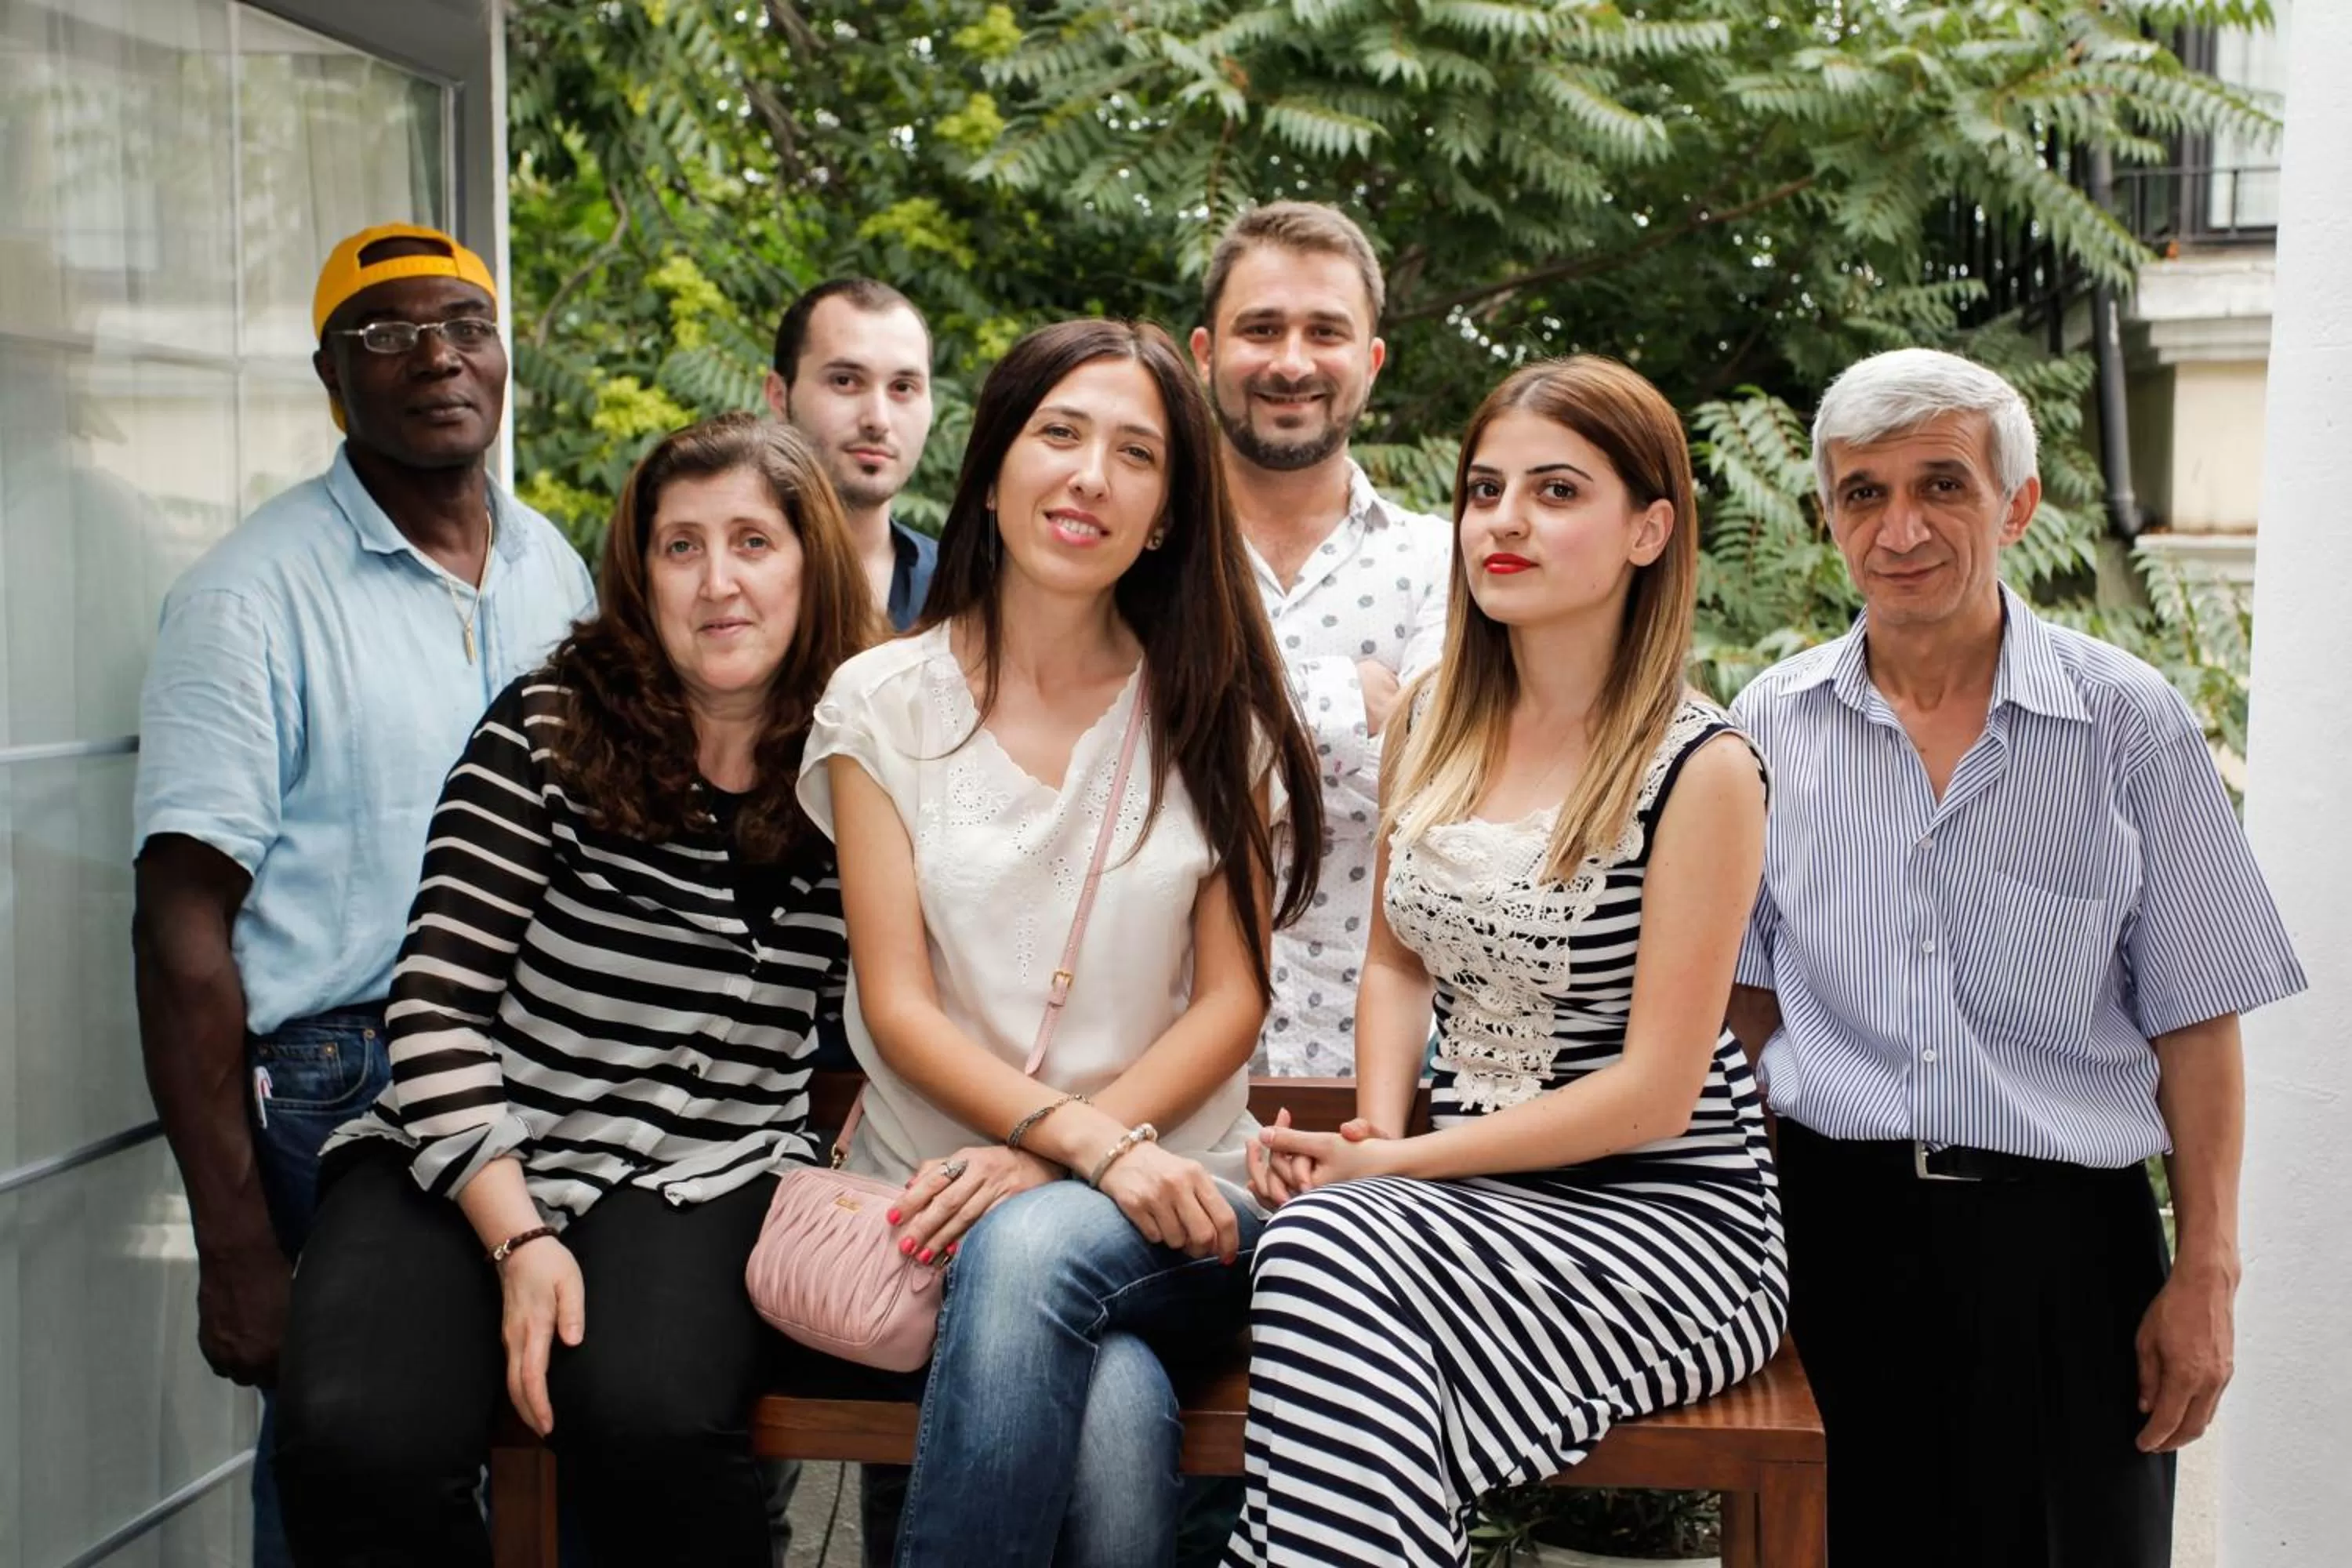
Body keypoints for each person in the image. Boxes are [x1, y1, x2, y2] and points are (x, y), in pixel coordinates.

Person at [1726, 347, 2305, 1568]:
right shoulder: (1767, 724)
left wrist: (2209, 1272)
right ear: (1827, 515)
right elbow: (1743, 1004)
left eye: (1942, 485)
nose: (1901, 529)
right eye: (1863, 494)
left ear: (2018, 505)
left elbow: (2196, 1018)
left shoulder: (2128, 720)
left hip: (2067, 1258)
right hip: (1833, 1237)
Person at [269, 413, 877, 1566]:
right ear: (639, 574)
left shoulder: (866, 762)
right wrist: (519, 1239)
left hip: (709, 1163)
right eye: (680, 547)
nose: (718, 582)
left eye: (754, 542)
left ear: (812, 564)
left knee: (651, 1418)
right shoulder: (548, 729)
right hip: (468, 1151)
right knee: (354, 1439)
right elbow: (434, 1003)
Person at [1225, 358, 1788, 1566]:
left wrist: (1400, 1168)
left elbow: (1655, 1095)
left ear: (1650, 529)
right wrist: (1378, 1134)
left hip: (1666, 1228)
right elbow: (1393, 963)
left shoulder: (1704, 769)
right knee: (1327, 1265)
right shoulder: (1432, 714)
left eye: (1556, 492)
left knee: (1317, 1256)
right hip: (1470, 1205)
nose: (1505, 522)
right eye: (1486, 491)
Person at [797, 318, 1325, 1567]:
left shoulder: (1212, 713)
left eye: (1137, 454)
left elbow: (1231, 1004)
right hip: (921, 1208)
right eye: (1061, 435)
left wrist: (1068, 1165)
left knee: (1035, 1244)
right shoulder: (880, 702)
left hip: (1177, 1204)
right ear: (993, 468)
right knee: (1116, 1416)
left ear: (1164, 517)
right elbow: (898, 1005)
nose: (1091, 475)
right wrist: (1075, 1144)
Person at [129, 222, 595, 1567]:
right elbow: (179, 932)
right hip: (347, 1083)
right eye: (387, 336)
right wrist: (232, 1245)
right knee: (355, 1458)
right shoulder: (247, 599)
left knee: (522, 1425)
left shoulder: (550, 564)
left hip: (542, 1064)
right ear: (330, 379)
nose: (438, 358)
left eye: (464, 325)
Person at [1189, 201, 1451, 1077]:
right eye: (1260, 328)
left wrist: (1216, 706)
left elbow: (1448, 778)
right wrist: (1354, 700)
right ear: (1205, 354)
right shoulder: (1144, 555)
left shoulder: (1448, 561)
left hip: (1389, 1091)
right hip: (1163, 1092)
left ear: (1371, 362)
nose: (1292, 361)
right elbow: (1122, 747)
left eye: (1325, 332)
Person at [767, 277, 939, 629]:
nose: (877, 420)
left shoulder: (967, 595)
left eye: (903, 388)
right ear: (779, 397)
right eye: (845, 381)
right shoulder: (721, 584)